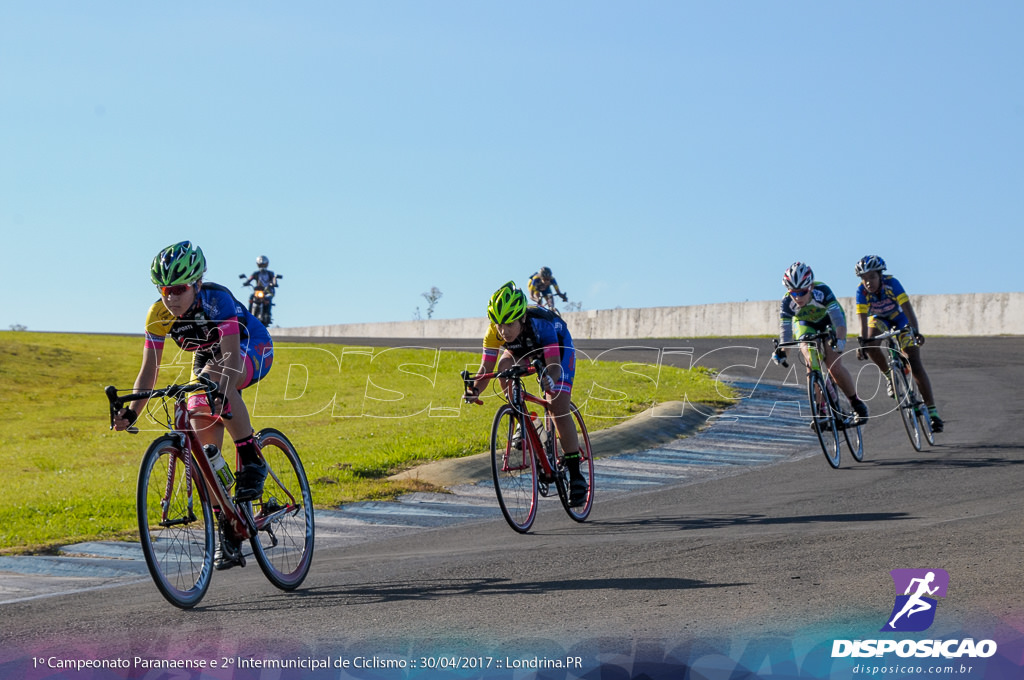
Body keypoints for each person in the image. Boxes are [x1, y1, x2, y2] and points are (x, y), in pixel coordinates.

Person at [112, 241, 275, 570]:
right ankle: (228, 530)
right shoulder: (157, 315)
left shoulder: (217, 299)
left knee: (216, 378)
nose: (171, 298)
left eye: (179, 289)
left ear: (197, 284)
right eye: (164, 290)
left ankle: (251, 459)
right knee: (203, 451)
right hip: (208, 355)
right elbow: (149, 371)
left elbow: (229, 357)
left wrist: (221, 391)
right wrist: (131, 413)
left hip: (248, 345)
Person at [464, 281, 587, 505]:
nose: (503, 331)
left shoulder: (542, 323)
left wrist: (550, 379)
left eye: (509, 324)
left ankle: (575, 472)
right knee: (504, 369)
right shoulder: (494, 332)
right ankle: (525, 420)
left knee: (556, 405)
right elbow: (485, 371)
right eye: (499, 324)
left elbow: (554, 365)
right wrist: (474, 390)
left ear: (521, 317)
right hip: (523, 350)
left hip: (557, 349)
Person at [853, 255, 943, 432]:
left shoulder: (892, 283)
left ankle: (933, 412)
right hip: (879, 319)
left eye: (872, 277)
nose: (868, 282)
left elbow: (907, 308)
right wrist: (863, 343)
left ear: (880, 275)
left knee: (915, 363)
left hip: (899, 318)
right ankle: (890, 377)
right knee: (871, 344)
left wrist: (915, 331)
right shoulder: (861, 292)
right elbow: (862, 320)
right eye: (864, 278)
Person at [771, 262, 870, 424]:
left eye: (802, 292)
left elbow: (838, 320)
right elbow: (786, 335)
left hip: (829, 322)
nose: (797, 297)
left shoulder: (822, 291)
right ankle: (820, 409)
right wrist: (782, 352)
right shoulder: (787, 302)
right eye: (793, 292)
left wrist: (839, 340)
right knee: (811, 362)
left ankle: (856, 404)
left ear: (810, 287)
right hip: (805, 325)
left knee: (834, 366)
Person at [242, 255, 279, 321]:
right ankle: (248, 314)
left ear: (267, 264)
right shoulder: (256, 273)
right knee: (251, 297)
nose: (262, 267)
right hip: (259, 291)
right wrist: (247, 282)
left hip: (269, 291)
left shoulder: (270, 273)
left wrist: (274, 283)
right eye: (260, 265)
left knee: (268, 299)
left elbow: (274, 279)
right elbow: (250, 278)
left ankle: (268, 314)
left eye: (264, 265)